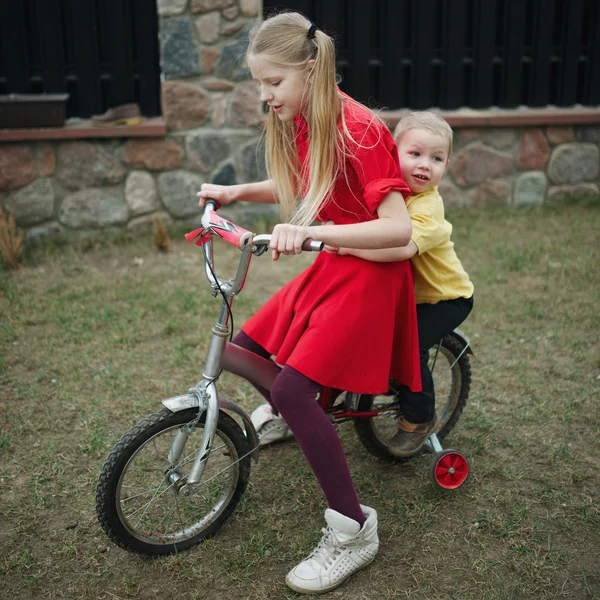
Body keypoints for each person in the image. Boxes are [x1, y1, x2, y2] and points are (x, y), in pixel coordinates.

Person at [196, 11, 421, 595]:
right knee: (244, 350)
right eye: (258, 84)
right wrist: (236, 192)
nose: (265, 95)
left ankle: (353, 529)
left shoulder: (362, 129)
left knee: (291, 389)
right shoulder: (303, 117)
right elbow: (306, 184)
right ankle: (307, 414)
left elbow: (397, 231)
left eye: (273, 82)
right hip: (337, 262)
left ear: (310, 68)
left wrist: (317, 234)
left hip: (371, 272)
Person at [253, 111, 474, 459]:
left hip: (444, 299)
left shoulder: (427, 208)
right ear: (391, 154)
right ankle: (321, 396)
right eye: (414, 154)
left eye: (437, 158)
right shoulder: (385, 195)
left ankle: (417, 420)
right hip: (402, 296)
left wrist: (344, 244)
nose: (425, 165)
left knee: (409, 349)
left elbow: (397, 248)